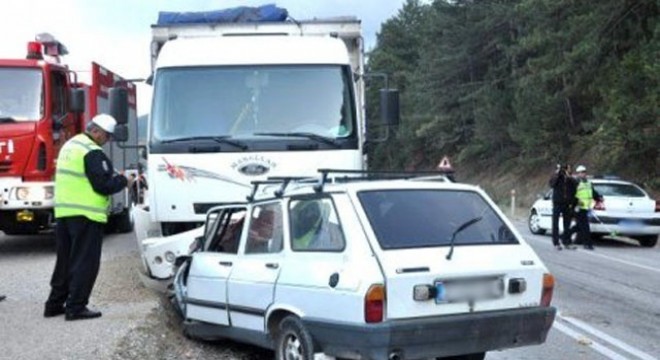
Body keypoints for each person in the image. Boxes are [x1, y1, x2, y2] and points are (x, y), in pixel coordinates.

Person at [44, 114, 128, 321]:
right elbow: (104, 185)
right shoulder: (92, 151)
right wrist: (125, 180)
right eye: (106, 136)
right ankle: (76, 307)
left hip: (64, 213)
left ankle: (54, 304)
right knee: (85, 262)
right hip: (86, 215)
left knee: (65, 261)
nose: (106, 140)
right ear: (96, 131)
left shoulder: (70, 145)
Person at [548, 164, 578, 250]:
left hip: (567, 204)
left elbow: (576, 185)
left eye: (569, 169)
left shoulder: (570, 179)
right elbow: (551, 184)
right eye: (566, 169)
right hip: (557, 203)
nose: (568, 170)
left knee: (567, 224)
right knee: (555, 223)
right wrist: (557, 174)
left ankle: (566, 241)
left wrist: (569, 177)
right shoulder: (557, 178)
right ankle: (556, 242)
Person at [573, 165, 602, 250]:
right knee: (585, 226)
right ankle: (587, 244)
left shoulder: (588, 183)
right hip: (578, 207)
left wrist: (598, 198)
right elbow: (571, 194)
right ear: (578, 173)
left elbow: (593, 192)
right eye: (581, 172)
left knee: (579, 226)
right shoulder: (575, 182)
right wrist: (577, 201)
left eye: (584, 172)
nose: (583, 174)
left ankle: (565, 236)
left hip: (586, 207)